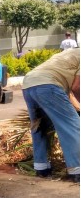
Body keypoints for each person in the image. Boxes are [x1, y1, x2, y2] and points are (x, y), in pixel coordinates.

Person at [21, 48, 80, 182]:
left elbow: (69, 92)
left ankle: (41, 168)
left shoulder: (69, 53)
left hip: (29, 84)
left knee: (40, 127)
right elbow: (77, 87)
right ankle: (77, 170)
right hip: (49, 85)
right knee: (72, 127)